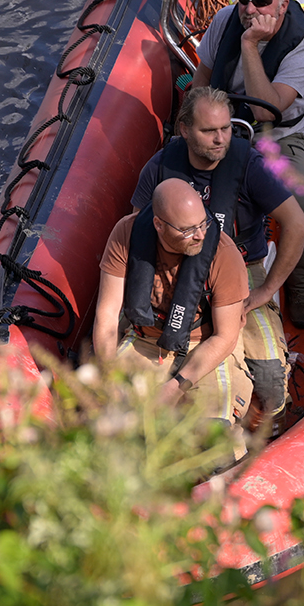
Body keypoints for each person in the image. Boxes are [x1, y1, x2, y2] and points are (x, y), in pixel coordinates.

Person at [131, 87, 304, 414]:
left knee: (271, 382)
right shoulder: (158, 170)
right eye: (209, 130)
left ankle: (269, 425)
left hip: (242, 270)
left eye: (226, 128)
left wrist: (267, 290)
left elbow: (299, 226)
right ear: (184, 129)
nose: (220, 139)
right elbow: (135, 233)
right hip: (176, 269)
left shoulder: (250, 165)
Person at [191, 0, 304, 326]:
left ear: (282, 5)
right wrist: (187, 128)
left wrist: (249, 44)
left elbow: (268, 111)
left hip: (277, 134)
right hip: (224, 120)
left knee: (302, 208)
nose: (250, 9)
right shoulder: (224, 20)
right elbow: (202, 79)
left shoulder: (303, 50)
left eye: (262, 1)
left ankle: (301, 286)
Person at [93, 177, 251, 429]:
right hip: (147, 339)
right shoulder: (127, 233)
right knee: (109, 423)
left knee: (213, 441)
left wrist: (174, 388)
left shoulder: (223, 253)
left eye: (203, 224)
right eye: (188, 230)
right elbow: (108, 314)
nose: (200, 235)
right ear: (159, 225)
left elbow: (225, 337)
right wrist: (108, 376)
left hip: (206, 345)